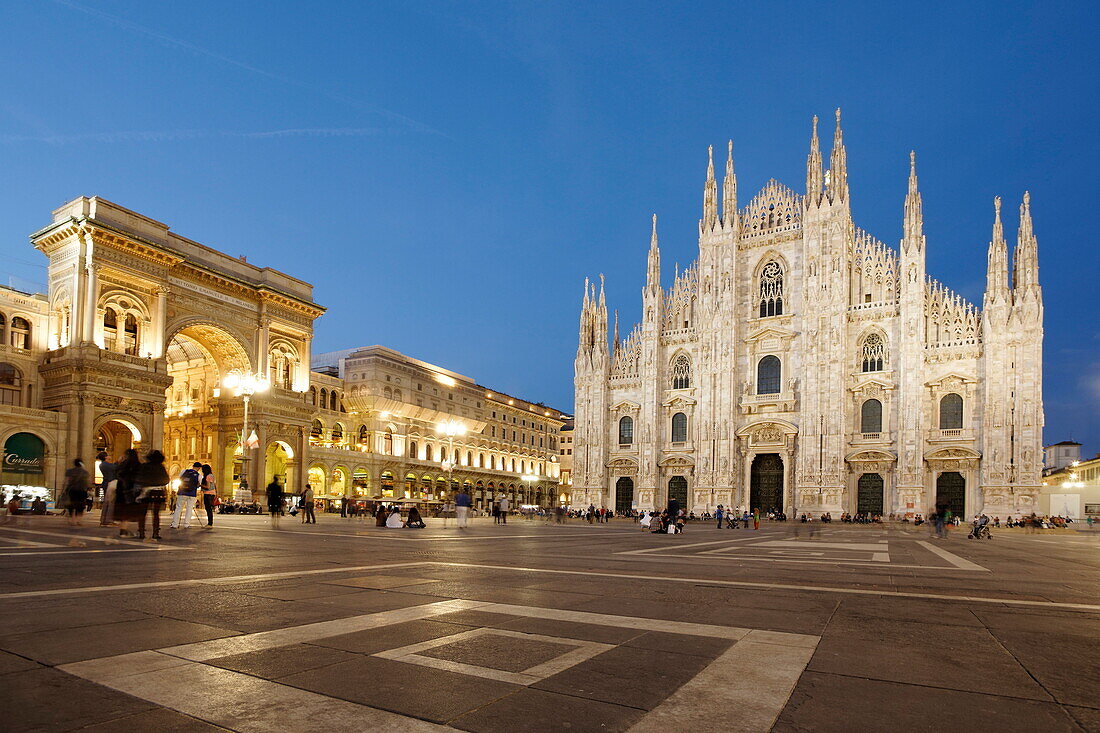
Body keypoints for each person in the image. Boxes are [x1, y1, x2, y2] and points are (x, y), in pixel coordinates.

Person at [134, 450, 169, 542]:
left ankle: (141, 532)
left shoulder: (144, 466)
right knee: (156, 514)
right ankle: (155, 533)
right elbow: (166, 480)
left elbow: (138, 478)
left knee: (143, 513)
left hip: (146, 491)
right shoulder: (161, 467)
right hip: (158, 492)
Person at [171, 462, 201, 530]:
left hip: (182, 492)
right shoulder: (198, 475)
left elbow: (180, 478)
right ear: (199, 468)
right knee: (189, 509)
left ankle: (175, 524)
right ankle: (186, 524)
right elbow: (199, 485)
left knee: (178, 508)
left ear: (193, 466)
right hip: (192, 494)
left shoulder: (184, 471)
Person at [63, 459, 90, 527]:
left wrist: (63, 490)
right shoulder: (85, 472)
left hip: (72, 490)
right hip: (82, 490)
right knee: (81, 505)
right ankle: (79, 520)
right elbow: (88, 482)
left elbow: (66, 482)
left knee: (71, 504)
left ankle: (72, 520)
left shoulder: (69, 471)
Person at [96, 451, 118, 526]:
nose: (109, 456)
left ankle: (103, 520)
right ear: (105, 457)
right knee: (111, 502)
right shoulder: (106, 465)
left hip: (106, 483)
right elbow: (116, 468)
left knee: (106, 502)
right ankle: (108, 520)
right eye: (108, 455)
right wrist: (119, 461)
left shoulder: (102, 464)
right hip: (110, 483)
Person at [200, 464, 217, 528]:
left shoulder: (207, 476)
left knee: (208, 509)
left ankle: (210, 523)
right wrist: (216, 493)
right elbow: (214, 485)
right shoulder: (212, 476)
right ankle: (210, 523)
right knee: (209, 509)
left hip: (208, 494)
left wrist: (200, 485)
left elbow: (208, 487)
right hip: (212, 493)